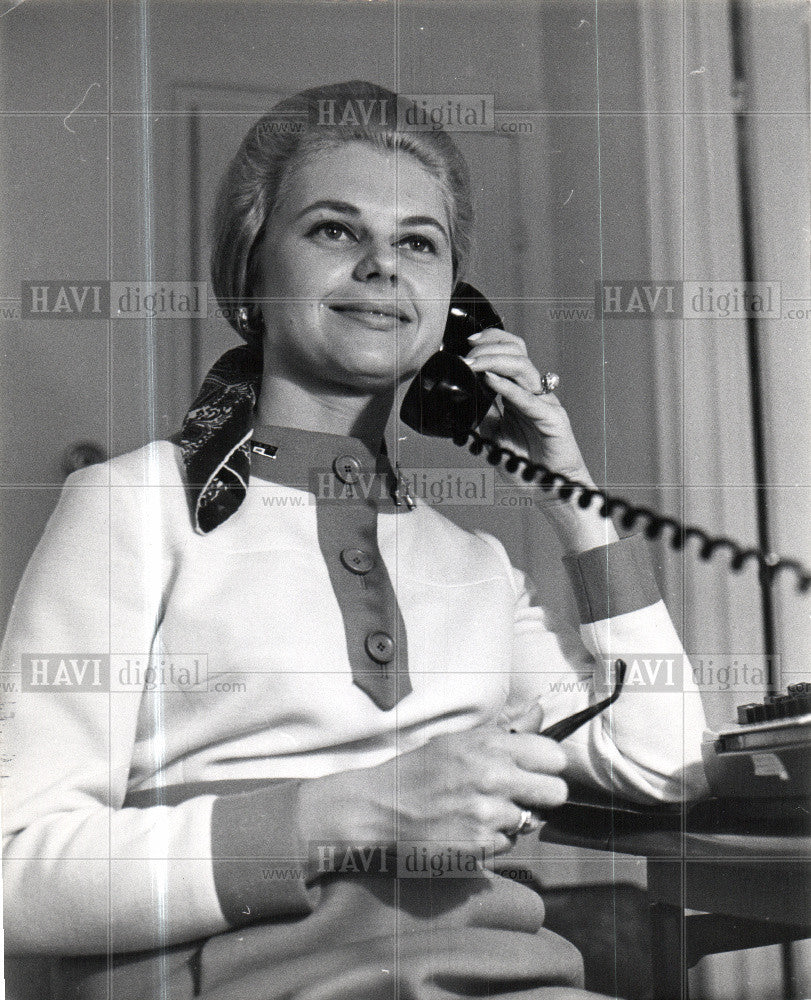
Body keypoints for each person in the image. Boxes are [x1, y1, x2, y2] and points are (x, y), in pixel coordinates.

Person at [1, 80, 708, 1000]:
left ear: (456, 305)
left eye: (418, 242)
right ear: (252, 268)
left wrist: (570, 496)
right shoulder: (131, 505)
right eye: (335, 230)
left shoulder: (474, 566)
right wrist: (353, 812)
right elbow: (17, 871)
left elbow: (665, 764)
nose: (382, 265)